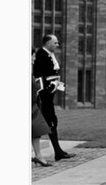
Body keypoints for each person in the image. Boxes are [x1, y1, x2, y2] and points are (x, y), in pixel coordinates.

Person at [33, 34, 75, 162]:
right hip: (44, 96)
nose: (57, 45)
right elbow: (40, 76)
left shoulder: (48, 55)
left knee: (51, 121)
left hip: (48, 95)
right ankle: (53, 152)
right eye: (55, 43)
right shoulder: (41, 55)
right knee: (47, 122)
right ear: (47, 43)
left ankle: (58, 151)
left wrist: (56, 84)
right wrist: (49, 87)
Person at [31, 48, 51, 167]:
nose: (34, 58)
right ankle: (38, 156)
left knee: (37, 130)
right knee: (36, 129)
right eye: (33, 56)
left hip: (33, 105)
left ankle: (39, 156)